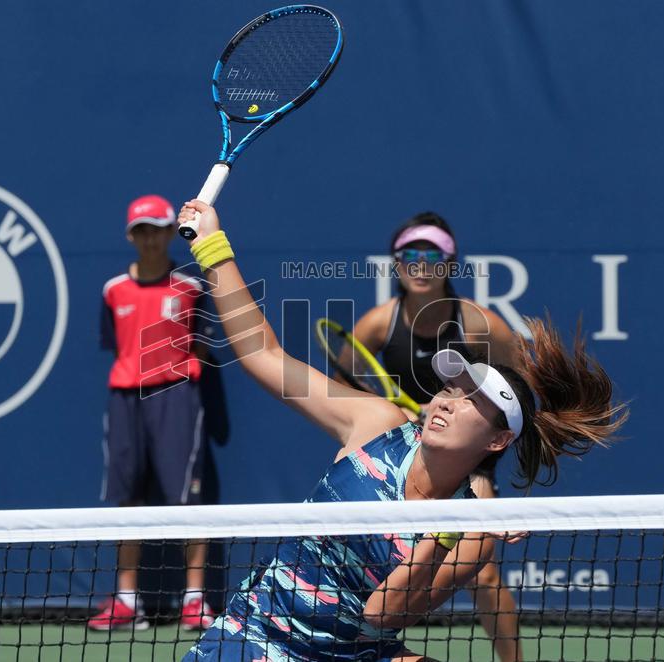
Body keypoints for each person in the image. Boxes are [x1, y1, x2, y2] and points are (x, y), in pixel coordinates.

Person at [177, 200, 627, 661]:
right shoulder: (376, 423)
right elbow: (263, 355)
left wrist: (447, 530)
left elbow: (384, 614)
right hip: (254, 638)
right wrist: (213, 247)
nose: (448, 402)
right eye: (450, 389)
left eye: (470, 401)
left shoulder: (472, 536)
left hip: (357, 652)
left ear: (497, 440)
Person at [352, 212, 522, 661]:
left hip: (469, 454)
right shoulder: (376, 325)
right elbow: (349, 372)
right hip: (400, 453)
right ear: (396, 262)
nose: (421, 265)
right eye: (410, 255)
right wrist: (394, 413)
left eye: (433, 256)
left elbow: (514, 390)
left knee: (483, 571)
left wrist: (463, 423)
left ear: (450, 263)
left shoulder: (480, 324)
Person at [89, 194, 217, 632]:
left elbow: (201, 345)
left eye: (156, 230)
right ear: (132, 237)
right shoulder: (113, 291)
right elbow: (117, 346)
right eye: (141, 231)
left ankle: (195, 600)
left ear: (168, 234)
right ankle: (128, 600)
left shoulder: (191, 289)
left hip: (177, 396)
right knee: (128, 497)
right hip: (125, 398)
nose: (149, 239)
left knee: (189, 497)